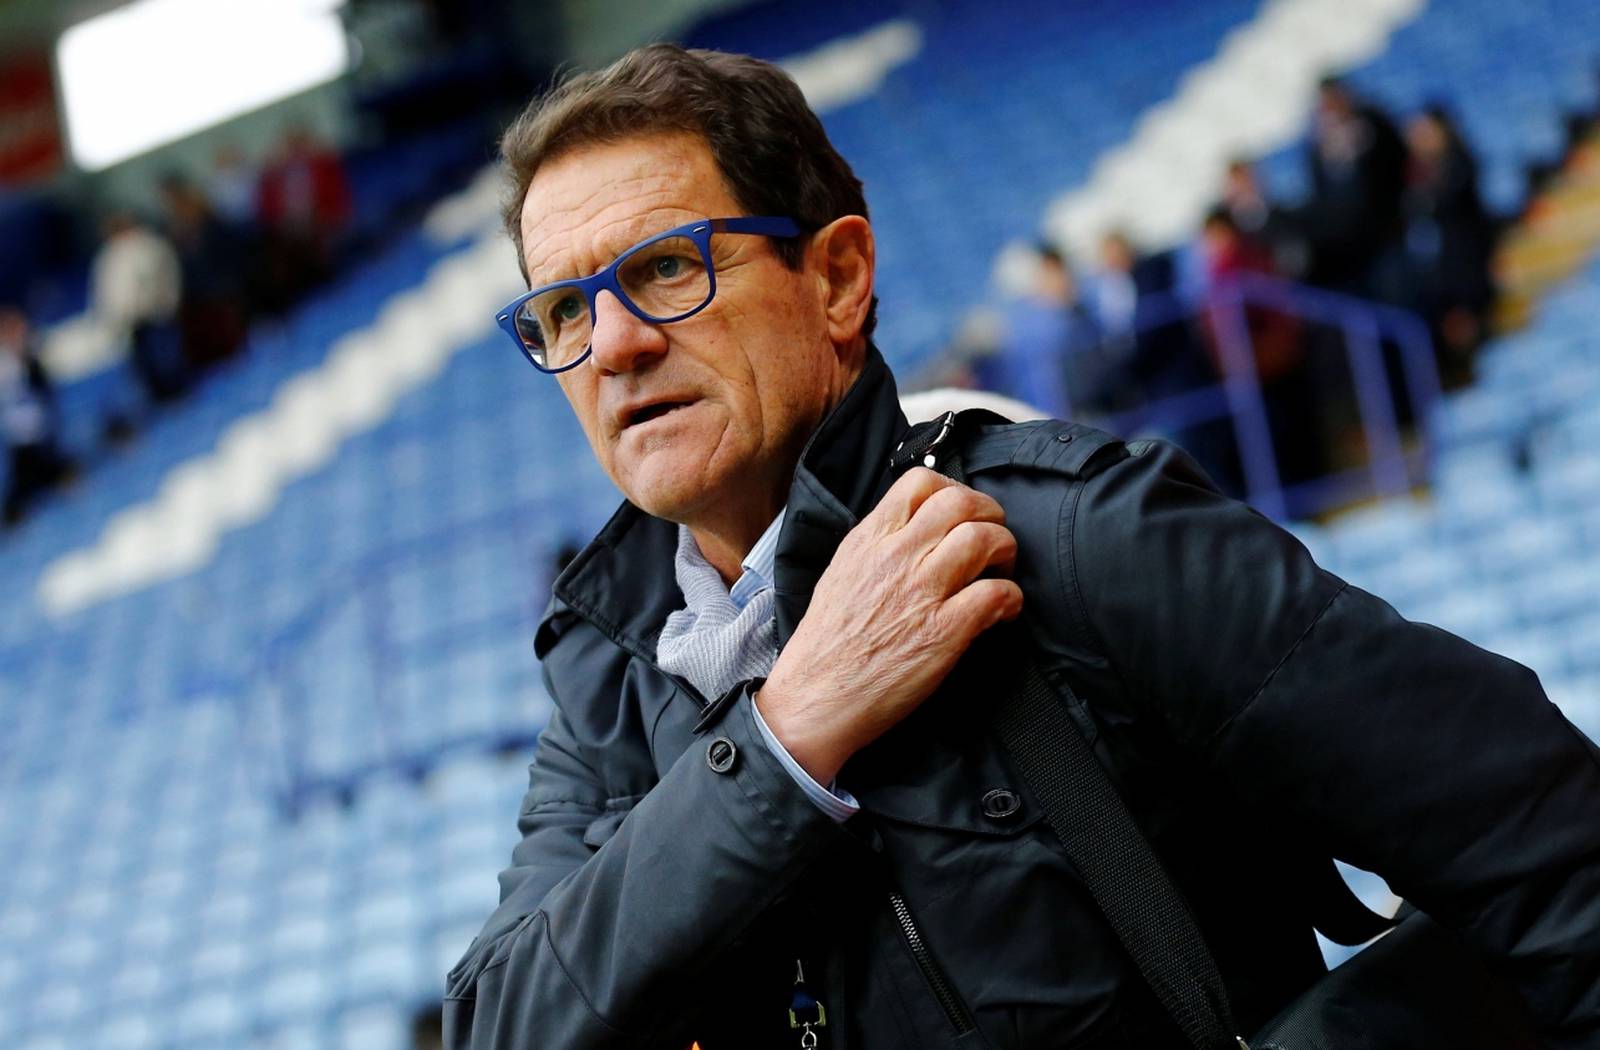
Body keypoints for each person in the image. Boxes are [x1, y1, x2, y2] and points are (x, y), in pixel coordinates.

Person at [444, 44, 1600, 1049]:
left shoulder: (1073, 535)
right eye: (561, 310)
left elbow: (1548, 849)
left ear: (837, 277)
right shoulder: (608, 674)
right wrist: (786, 735)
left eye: (664, 269)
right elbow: (501, 1024)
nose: (612, 345)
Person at [1300, 77, 1408, 293]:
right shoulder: (1318, 145)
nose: (1331, 108)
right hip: (1348, 244)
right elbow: (1319, 192)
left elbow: (1398, 162)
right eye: (1325, 103)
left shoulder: (1373, 123)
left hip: (1388, 232)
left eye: (1334, 100)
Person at [90, 210, 187, 405]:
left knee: (166, 358)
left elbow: (166, 277)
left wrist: (167, 303)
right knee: (144, 365)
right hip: (130, 321)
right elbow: (106, 293)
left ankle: (178, 392)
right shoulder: (108, 258)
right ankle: (159, 398)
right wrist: (113, 320)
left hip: (155, 314)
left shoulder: (150, 246)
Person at [0, 306, 74, 525]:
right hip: (20, 441)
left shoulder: (32, 359)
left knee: (52, 469)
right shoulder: (6, 367)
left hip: (41, 433)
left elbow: (47, 393)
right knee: (25, 482)